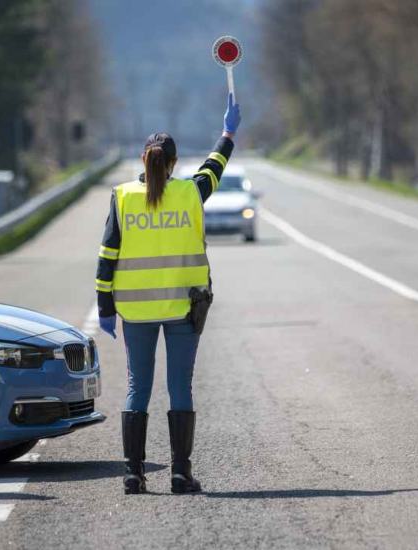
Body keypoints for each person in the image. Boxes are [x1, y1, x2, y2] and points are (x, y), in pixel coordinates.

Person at [95, 94, 241, 494]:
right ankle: (180, 473)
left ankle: (132, 474)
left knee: (136, 387)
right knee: (180, 386)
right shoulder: (191, 193)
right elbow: (215, 167)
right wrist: (227, 133)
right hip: (182, 308)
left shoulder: (123, 197)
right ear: (174, 163)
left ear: (144, 160)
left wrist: (105, 307)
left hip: (135, 312)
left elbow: (107, 256)